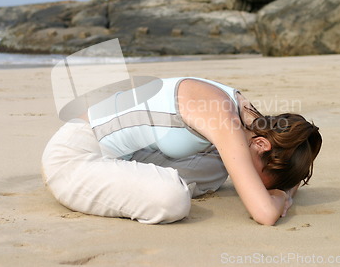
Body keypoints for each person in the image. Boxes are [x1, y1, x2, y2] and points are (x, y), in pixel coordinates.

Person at [42, 77, 322, 225]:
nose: (249, 180)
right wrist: (276, 197)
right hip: (74, 157)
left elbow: (284, 175)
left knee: (216, 168)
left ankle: (130, 180)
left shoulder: (250, 118)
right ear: (261, 144)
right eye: (256, 174)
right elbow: (264, 214)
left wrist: (284, 189)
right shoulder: (225, 117)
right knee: (172, 199)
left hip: (123, 155)